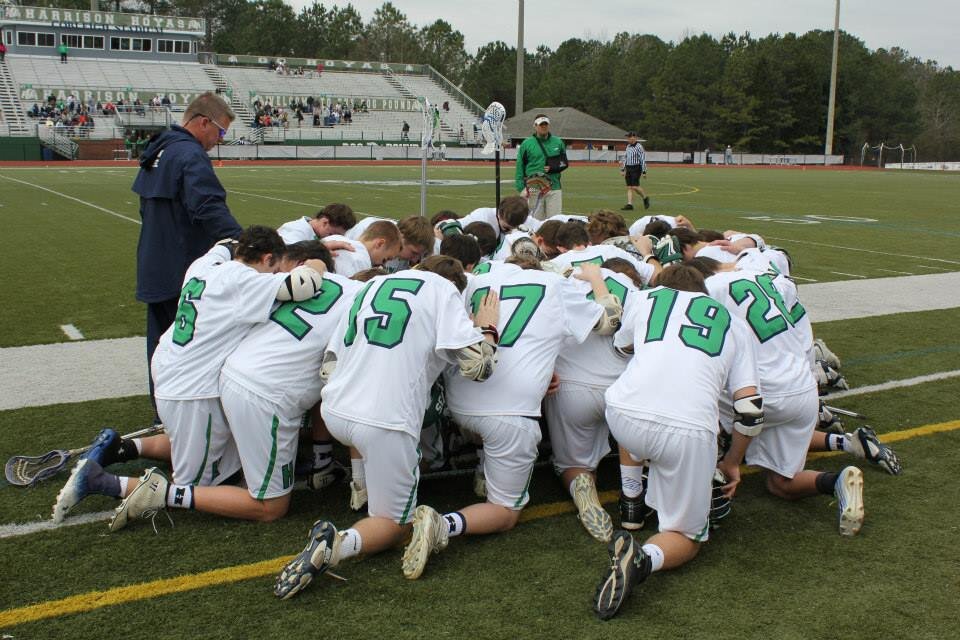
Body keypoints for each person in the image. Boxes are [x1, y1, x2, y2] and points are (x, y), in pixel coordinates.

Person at [52, 228, 329, 527]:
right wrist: (317, 263)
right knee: (192, 488)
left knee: (220, 445)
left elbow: (222, 244)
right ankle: (103, 482)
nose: (273, 274)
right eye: (273, 267)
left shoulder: (205, 265)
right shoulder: (245, 282)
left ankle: (120, 447)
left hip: (170, 366)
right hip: (193, 388)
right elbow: (304, 284)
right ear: (267, 258)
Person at [274, 255, 501, 600]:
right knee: (395, 525)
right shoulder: (444, 291)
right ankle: (338, 544)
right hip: (384, 422)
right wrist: (486, 327)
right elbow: (478, 366)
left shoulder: (372, 285)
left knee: (364, 419)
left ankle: (361, 485)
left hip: (335, 408)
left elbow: (330, 364)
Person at [400, 259, 621, 580]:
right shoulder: (554, 285)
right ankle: (444, 524)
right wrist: (597, 280)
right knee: (504, 512)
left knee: (486, 423)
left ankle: (481, 468)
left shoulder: (474, 282)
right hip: (511, 414)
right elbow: (608, 321)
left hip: (459, 401)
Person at [592, 264, 763, 620]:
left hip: (622, 414)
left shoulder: (644, 298)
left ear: (660, 285)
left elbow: (623, 348)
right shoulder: (733, 323)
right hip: (688, 431)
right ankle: (643, 559)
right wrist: (731, 461)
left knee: (640, 402)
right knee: (688, 535)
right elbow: (749, 410)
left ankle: (631, 502)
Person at [132, 92, 242, 414]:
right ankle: (181, 419)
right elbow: (208, 207)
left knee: (159, 349)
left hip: (154, 263)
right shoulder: (190, 155)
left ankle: (162, 414)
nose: (218, 141)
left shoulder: (158, 150)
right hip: (182, 268)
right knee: (188, 348)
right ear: (203, 122)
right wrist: (243, 244)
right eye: (219, 132)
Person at [515, 114, 568, 220]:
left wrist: (553, 168)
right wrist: (521, 187)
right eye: (541, 125)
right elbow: (520, 165)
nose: (544, 127)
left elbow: (564, 162)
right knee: (535, 221)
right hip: (533, 188)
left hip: (554, 187)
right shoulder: (527, 144)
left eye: (546, 124)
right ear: (535, 126)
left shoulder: (558, 142)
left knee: (555, 221)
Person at [277, 204, 356, 244]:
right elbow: (286, 252)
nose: (333, 238)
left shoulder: (315, 233)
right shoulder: (297, 230)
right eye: (331, 234)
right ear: (325, 222)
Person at [620, 132, 650, 211]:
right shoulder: (628, 146)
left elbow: (642, 159)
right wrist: (622, 169)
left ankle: (645, 197)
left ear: (634, 138)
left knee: (635, 186)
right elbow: (625, 157)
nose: (628, 139)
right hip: (629, 167)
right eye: (628, 137)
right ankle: (630, 204)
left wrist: (644, 171)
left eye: (629, 137)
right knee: (629, 187)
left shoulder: (639, 147)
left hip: (636, 167)